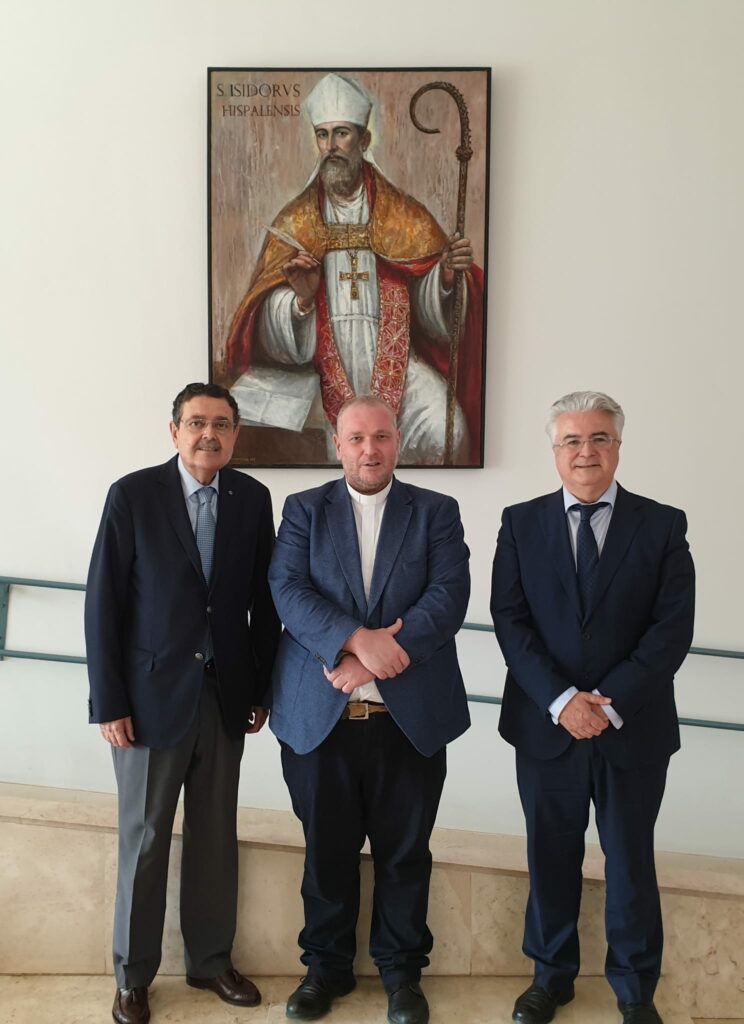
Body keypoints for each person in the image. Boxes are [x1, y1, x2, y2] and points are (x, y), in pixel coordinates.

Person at [490, 391, 695, 1024]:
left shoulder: (662, 525)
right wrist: (561, 701)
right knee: (550, 855)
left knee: (631, 860)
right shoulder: (520, 523)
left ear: (617, 447)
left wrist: (607, 705)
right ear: (554, 452)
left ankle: (635, 991)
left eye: (599, 438)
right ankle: (551, 978)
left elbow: (671, 629)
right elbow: (510, 619)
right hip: (546, 727)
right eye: (573, 441)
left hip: (631, 729)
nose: (586, 452)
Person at [267, 394, 471, 1023]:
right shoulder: (304, 510)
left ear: (397, 442)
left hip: (407, 723)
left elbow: (449, 595)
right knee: (324, 853)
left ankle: (402, 975)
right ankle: (324, 971)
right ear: (338, 443)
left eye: (380, 437)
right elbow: (288, 590)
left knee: (405, 854)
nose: (369, 449)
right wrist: (358, 641)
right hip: (320, 721)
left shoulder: (437, 511)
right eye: (356, 438)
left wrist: (376, 660)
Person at [85, 382, 281, 1024]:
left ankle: (210, 962)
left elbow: (264, 602)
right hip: (145, 703)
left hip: (224, 698)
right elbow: (103, 604)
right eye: (197, 423)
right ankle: (132, 976)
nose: (209, 435)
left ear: (235, 434)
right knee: (144, 839)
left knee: (215, 836)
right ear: (174, 431)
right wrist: (109, 700)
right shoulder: (133, 495)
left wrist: (258, 688)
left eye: (222, 424)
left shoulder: (253, 499)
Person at [224, 72, 485, 465]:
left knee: (445, 427)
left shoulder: (403, 215)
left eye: (342, 134)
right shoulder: (296, 222)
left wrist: (444, 275)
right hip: (321, 369)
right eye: (323, 135)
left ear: (363, 141)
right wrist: (301, 301)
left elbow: (431, 312)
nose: (331, 146)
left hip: (396, 361)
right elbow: (266, 329)